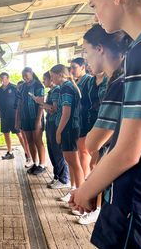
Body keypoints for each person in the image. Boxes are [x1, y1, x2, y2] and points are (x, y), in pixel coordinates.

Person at [69, 0, 141, 248]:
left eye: (94, 5)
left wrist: (85, 190)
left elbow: (129, 150)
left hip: (137, 197)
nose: (95, 16)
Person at [79, 24, 131, 225]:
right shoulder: (125, 78)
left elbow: (93, 143)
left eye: (86, 51)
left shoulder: (119, 85)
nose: (86, 58)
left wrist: (85, 191)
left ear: (100, 49)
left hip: (122, 178)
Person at [50, 64, 84, 205]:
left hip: (69, 129)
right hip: (71, 128)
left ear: (59, 74)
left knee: (75, 163)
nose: (52, 79)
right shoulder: (70, 86)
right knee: (70, 162)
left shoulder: (66, 87)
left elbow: (66, 112)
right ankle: (73, 190)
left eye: (52, 76)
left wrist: (58, 132)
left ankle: (81, 198)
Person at [35, 71, 70, 189]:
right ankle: (56, 176)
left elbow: (54, 108)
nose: (43, 82)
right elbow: (49, 109)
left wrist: (41, 103)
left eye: (45, 79)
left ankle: (64, 178)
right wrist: (43, 105)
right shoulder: (50, 91)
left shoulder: (56, 90)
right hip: (50, 122)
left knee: (57, 151)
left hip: (55, 123)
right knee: (51, 150)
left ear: (51, 79)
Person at [19, 67, 46, 175]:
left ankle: (42, 164)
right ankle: (35, 163)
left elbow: (41, 103)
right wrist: (19, 119)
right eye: (23, 76)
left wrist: (38, 120)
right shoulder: (22, 87)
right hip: (25, 118)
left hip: (36, 117)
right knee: (29, 141)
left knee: (37, 140)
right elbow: (20, 103)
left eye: (27, 75)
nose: (25, 78)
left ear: (31, 73)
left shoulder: (39, 85)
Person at [0, 72, 28, 160]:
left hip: (14, 115)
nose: (1, 79)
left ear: (8, 78)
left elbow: (20, 101)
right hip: (4, 116)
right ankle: (9, 152)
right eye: (0, 78)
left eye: (3, 78)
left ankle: (27, 152)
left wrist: (19, 114)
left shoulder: (14, 88)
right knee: (6, 133)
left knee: (19, 134)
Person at [70, 57, 92, 179]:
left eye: (74, 67)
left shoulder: (88, 80)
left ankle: (84, 180)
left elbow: (82, 98)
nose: (72, 70)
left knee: (84, 152)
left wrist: (72, 82)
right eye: (71, 68)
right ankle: (79, 182)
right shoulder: (77, 81)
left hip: (84, 119)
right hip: (76, 120)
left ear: (83, 67)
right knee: (78, 152)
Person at [16, 80, 32, 167]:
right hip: (22, 120)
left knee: (31, 141)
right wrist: (17, 121)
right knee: (25, 140)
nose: (19, 89)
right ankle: (28, 157)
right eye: (18, 88)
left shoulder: (28, 97)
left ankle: (34, 159)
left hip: (29, 120)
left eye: (21, 88)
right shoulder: (18, 98)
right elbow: (17, 109)